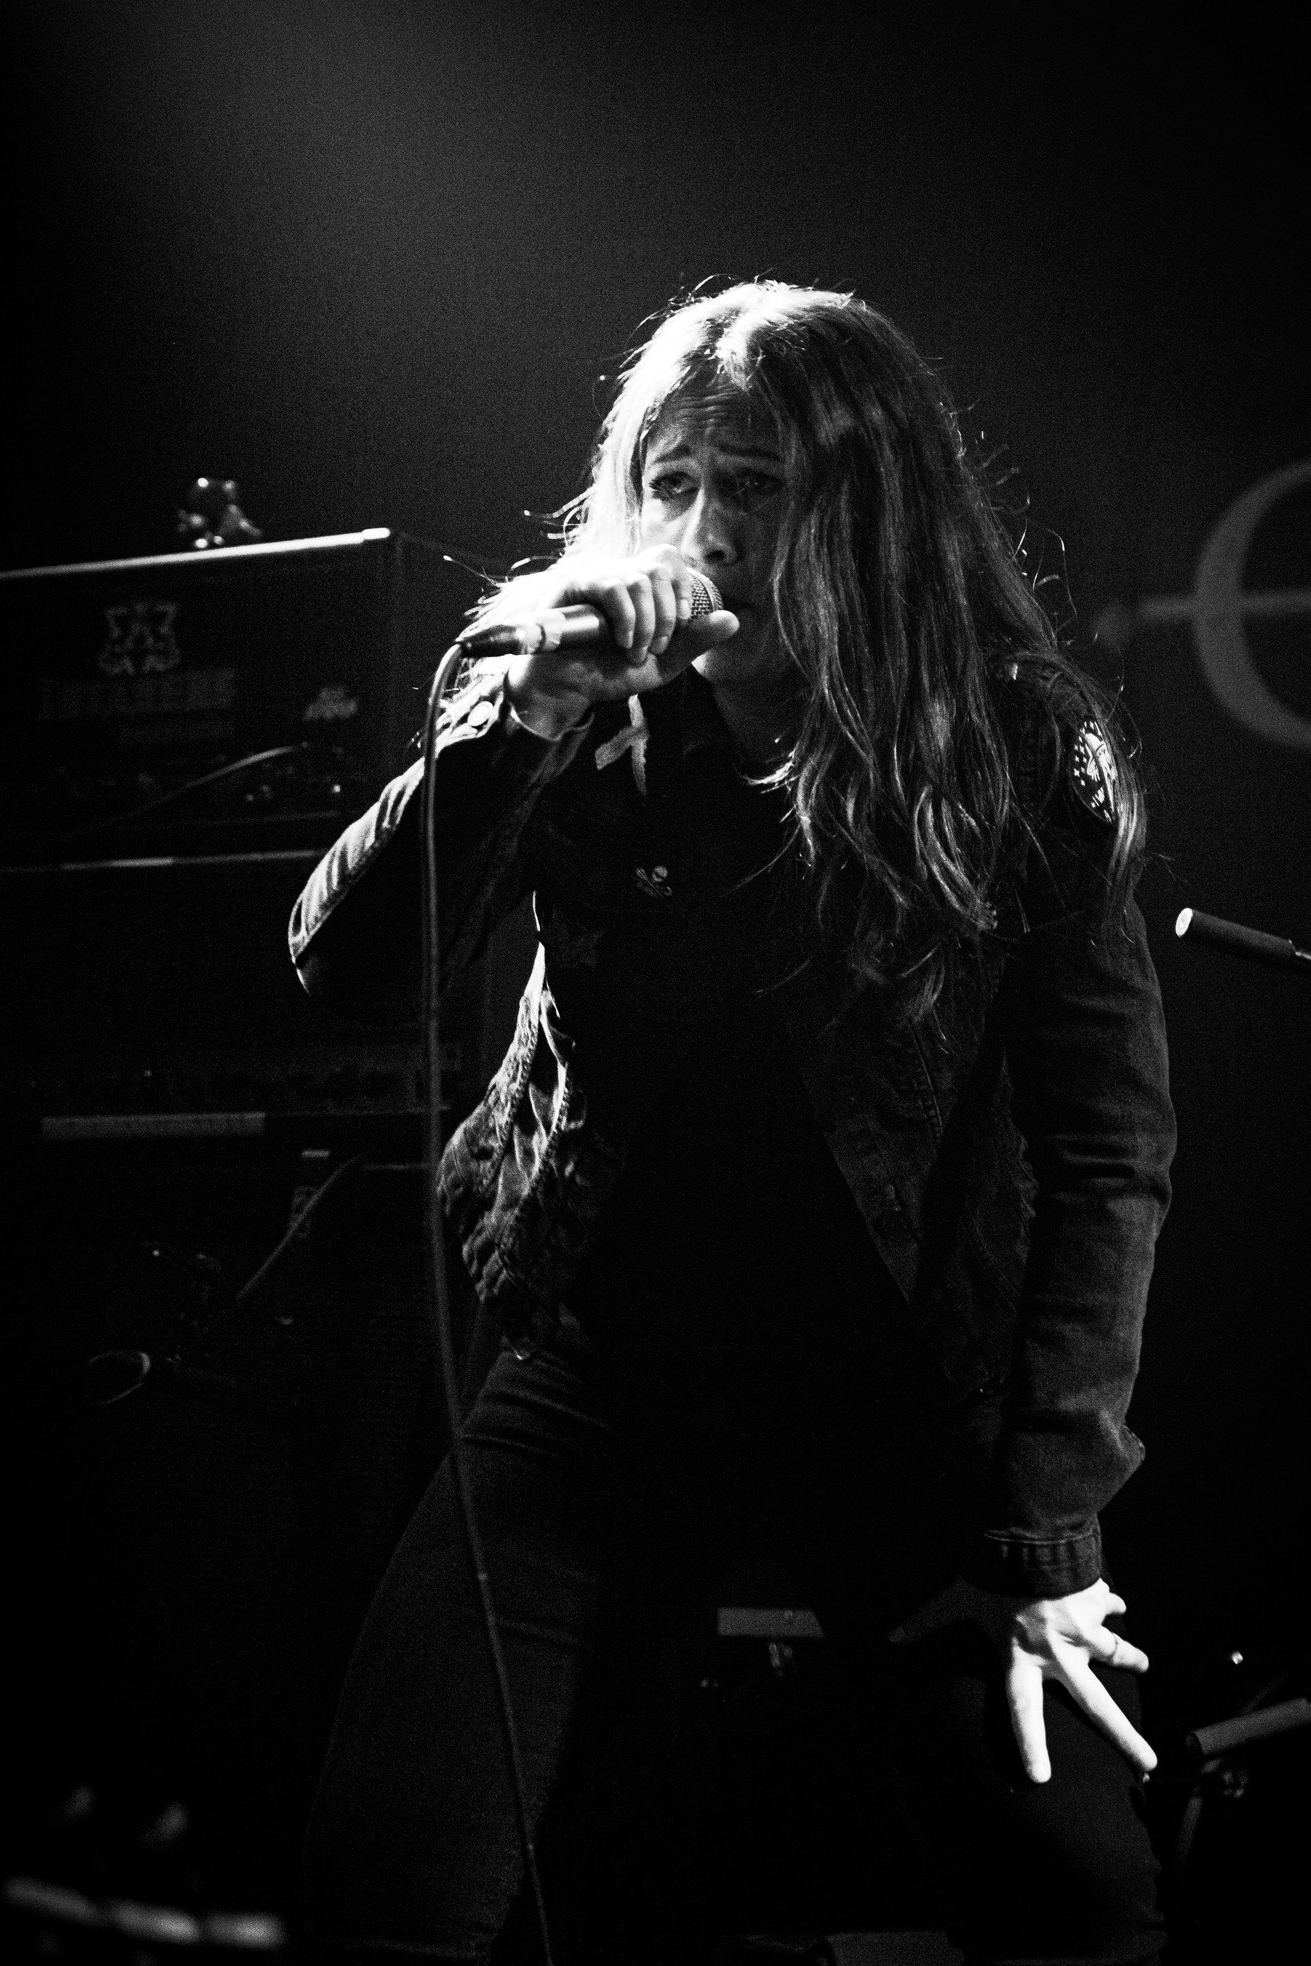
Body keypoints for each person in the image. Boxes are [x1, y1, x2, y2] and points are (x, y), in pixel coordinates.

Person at [290, 281, 1177, 1964]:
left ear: (867, 513)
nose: (704, 533)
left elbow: (1109, 1152)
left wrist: (1046, 1526)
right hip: (600, 1377)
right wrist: (521, 718)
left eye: (757, 487)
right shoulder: (557, 703)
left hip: (886, 1392)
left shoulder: (1006, 747)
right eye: (676, 482)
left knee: (1079, 1905)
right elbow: (350, 974)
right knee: (390, 1890)